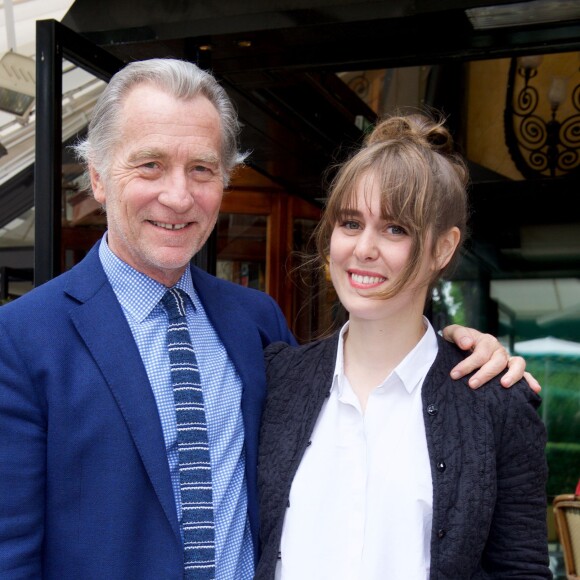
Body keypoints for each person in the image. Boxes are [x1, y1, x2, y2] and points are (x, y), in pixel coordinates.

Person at [0, 59, 531, 579]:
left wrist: (462, 351)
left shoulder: (255, 325)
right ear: (96, 176)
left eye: (203, 169)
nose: (179, 195)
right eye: (150, 165)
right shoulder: (23, 339)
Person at [257, 114, 550, 579]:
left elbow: (521, 571)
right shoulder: (273, 381)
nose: (364, 248)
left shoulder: (498, 405)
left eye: (395, 229)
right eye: (351, 223)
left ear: (442, 248)